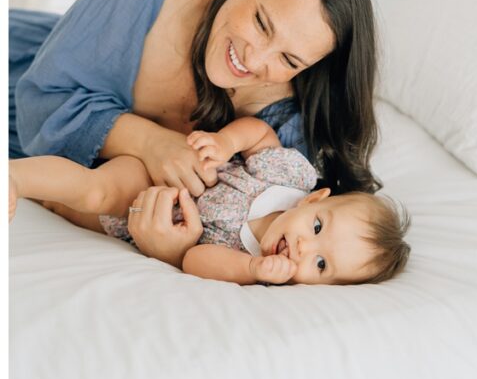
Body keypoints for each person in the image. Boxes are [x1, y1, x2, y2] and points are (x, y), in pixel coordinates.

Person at [9, 0, 379, 269]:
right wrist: (149, 142)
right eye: (261, 23)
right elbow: (39, 107)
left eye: (289, 61)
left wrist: (169, 252)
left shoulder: (289, 127)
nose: (255, 59)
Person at [9, 116, 411, 286]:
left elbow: (193, 260)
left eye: (321, 265)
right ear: (315, 199)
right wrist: (226, 142)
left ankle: (45, 199)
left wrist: (253, 268)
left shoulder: (253, 268)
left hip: (141, 217)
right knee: (94, 188)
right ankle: (13, 176)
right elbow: (259, 135)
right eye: (318, 227)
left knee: (69, 208)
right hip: (163, 172)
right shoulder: (291, 178)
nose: (305, 247)